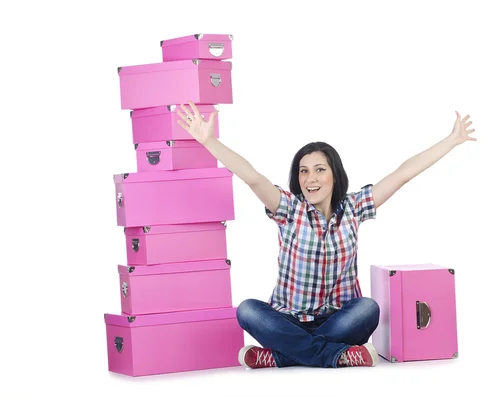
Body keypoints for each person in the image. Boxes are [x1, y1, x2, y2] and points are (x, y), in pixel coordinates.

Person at [176, 101, 476, 369]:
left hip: (338, 321)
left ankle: (281, 356)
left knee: (368, 309)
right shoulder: (289, 209)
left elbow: (402, 173)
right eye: (304, 171)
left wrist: (450, 141)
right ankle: (335, 356)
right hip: (287, 319)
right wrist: (209, 141)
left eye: (319, 170)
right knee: (248, 311)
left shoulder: (355, 207)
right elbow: (252, 177)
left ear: (335, 174)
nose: (310, 179)